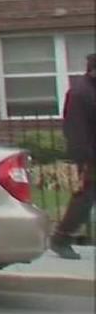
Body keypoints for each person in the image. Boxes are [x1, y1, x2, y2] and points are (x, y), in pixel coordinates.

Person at [50, 53, 96, 260]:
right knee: (85, 199)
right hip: (90, 157)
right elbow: (75, 130)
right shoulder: (80, 93)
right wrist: (84, 159)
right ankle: (61, 238)